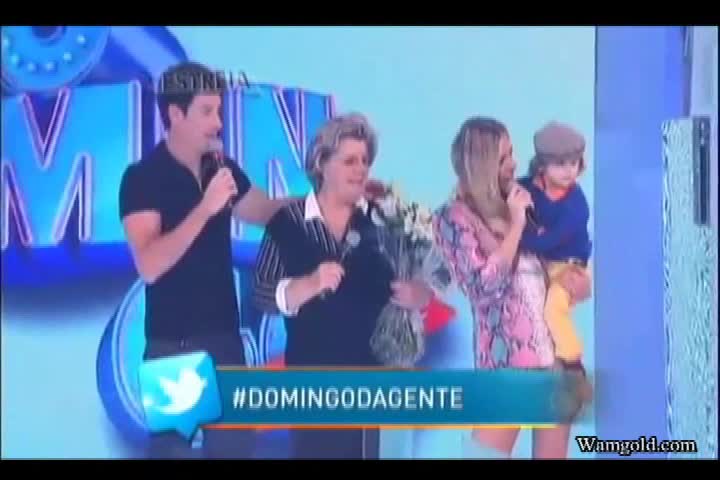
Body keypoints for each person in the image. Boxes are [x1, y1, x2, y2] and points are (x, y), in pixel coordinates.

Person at [118, 61, 289, 459]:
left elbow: (265, 211)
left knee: (237, 450)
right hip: (174, 346)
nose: (218, 123)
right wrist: (205, 208)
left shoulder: (222, 169)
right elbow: (149, 265)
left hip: (225, 340)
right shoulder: (143, 177)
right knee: (173, 453)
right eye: (207, 112)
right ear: (175, 114)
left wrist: (327, 199)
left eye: (219, 111)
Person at [252, 113, 434, 459]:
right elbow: (261, 293)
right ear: (321, 164)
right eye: (350, 161)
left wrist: (419, 295)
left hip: (377, 386)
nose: (361, 169)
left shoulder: (384, 221)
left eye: (365, 161)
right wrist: (309, 284)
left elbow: (424, 283)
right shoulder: (287, 223)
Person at [432, 116, 591, 459]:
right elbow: (483, 286)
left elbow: (548, 267)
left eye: (513, 153)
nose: (514, 164)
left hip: (554, 362)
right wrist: (517, 225)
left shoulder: (520, 200)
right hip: (507, 366)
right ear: (483, 163)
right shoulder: (454, 217)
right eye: (504, 157)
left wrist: (577, 281)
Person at [517, 121, 592, 377]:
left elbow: (550, 241)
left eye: (574, 163)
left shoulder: (576, 205)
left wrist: (519, 238)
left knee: (554, 308)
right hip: (545, 262)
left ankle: (572, 360)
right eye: (560, 164)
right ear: (542, 165)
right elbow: (513, 190)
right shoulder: (530, 186)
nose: (569, 170)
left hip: (569, 266)